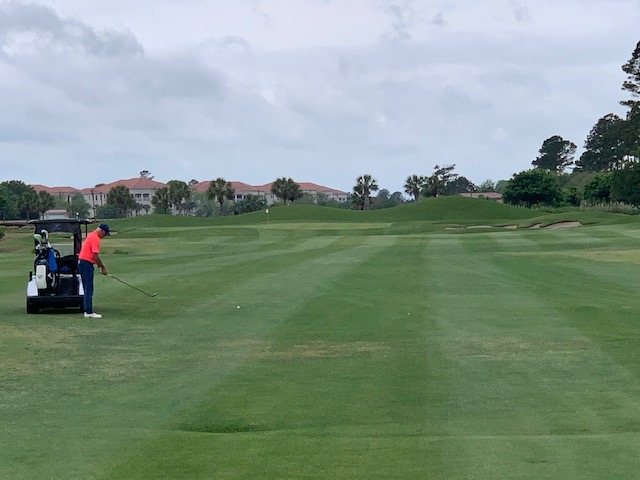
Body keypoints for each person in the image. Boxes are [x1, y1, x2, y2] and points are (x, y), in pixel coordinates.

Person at [78, 223, 110, 319]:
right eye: (105, 234)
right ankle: (88, 312)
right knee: (89, 288)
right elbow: (95, 256)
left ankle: (87, 310)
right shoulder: (95, 238)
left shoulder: (92, 235)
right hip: (86, 264)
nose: (104, 236)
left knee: (87, 288)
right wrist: (102, 268)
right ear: (102, 231)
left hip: (83, 263)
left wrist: (100, 267)